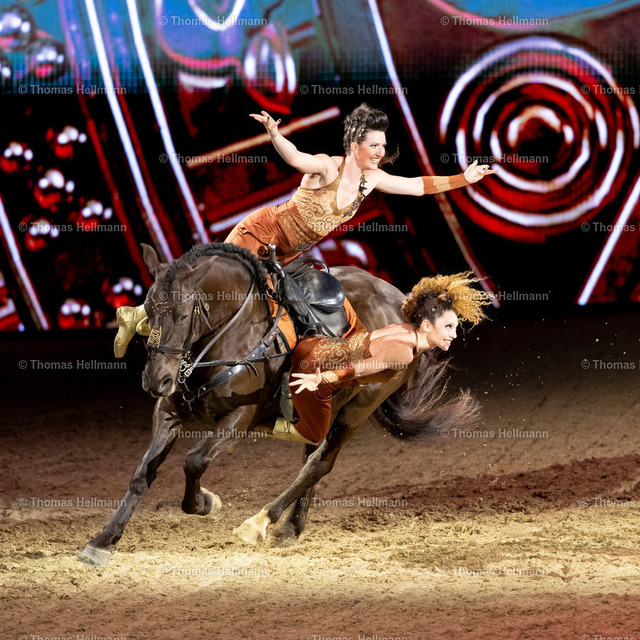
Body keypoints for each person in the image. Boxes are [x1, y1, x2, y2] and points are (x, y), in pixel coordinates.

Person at [114, 103, 497, 357]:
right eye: (374, 145)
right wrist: (275, 134)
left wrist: (463, 178)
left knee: (279, 307)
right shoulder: (328, 167)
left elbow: (417, 186)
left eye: (383, 145)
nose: (380, 152)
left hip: (289, 253)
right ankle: (139, 316)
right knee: (213, 284)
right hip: (261, 233)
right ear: (355, 144)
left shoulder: (373, 179)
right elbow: (295, 157)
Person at [271, 271, 492, 446]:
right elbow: (357, 370)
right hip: (314, 366)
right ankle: (262, 426)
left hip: (311, 345)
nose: (454, 334)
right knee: (313, 435)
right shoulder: (404, 354)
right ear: (426, 325)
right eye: (448, 327)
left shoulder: (402, 328)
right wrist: (321, 379)